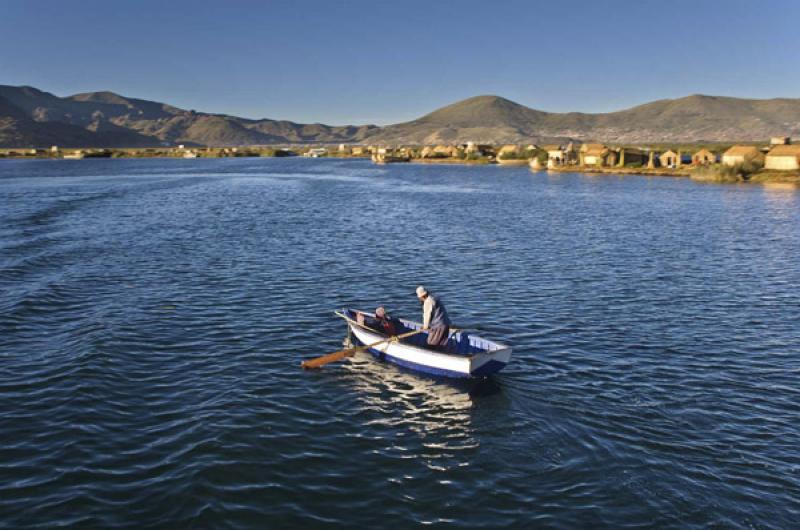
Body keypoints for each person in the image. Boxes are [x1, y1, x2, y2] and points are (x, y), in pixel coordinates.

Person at [416, 286, 451, 350]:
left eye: (419, 298)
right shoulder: (435, 297)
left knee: (430, 343)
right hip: (446, 324)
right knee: (441, 344)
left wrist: (425, 327)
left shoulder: (428, 302)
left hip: (438, 326)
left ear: (422, 296)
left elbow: (427, 315)